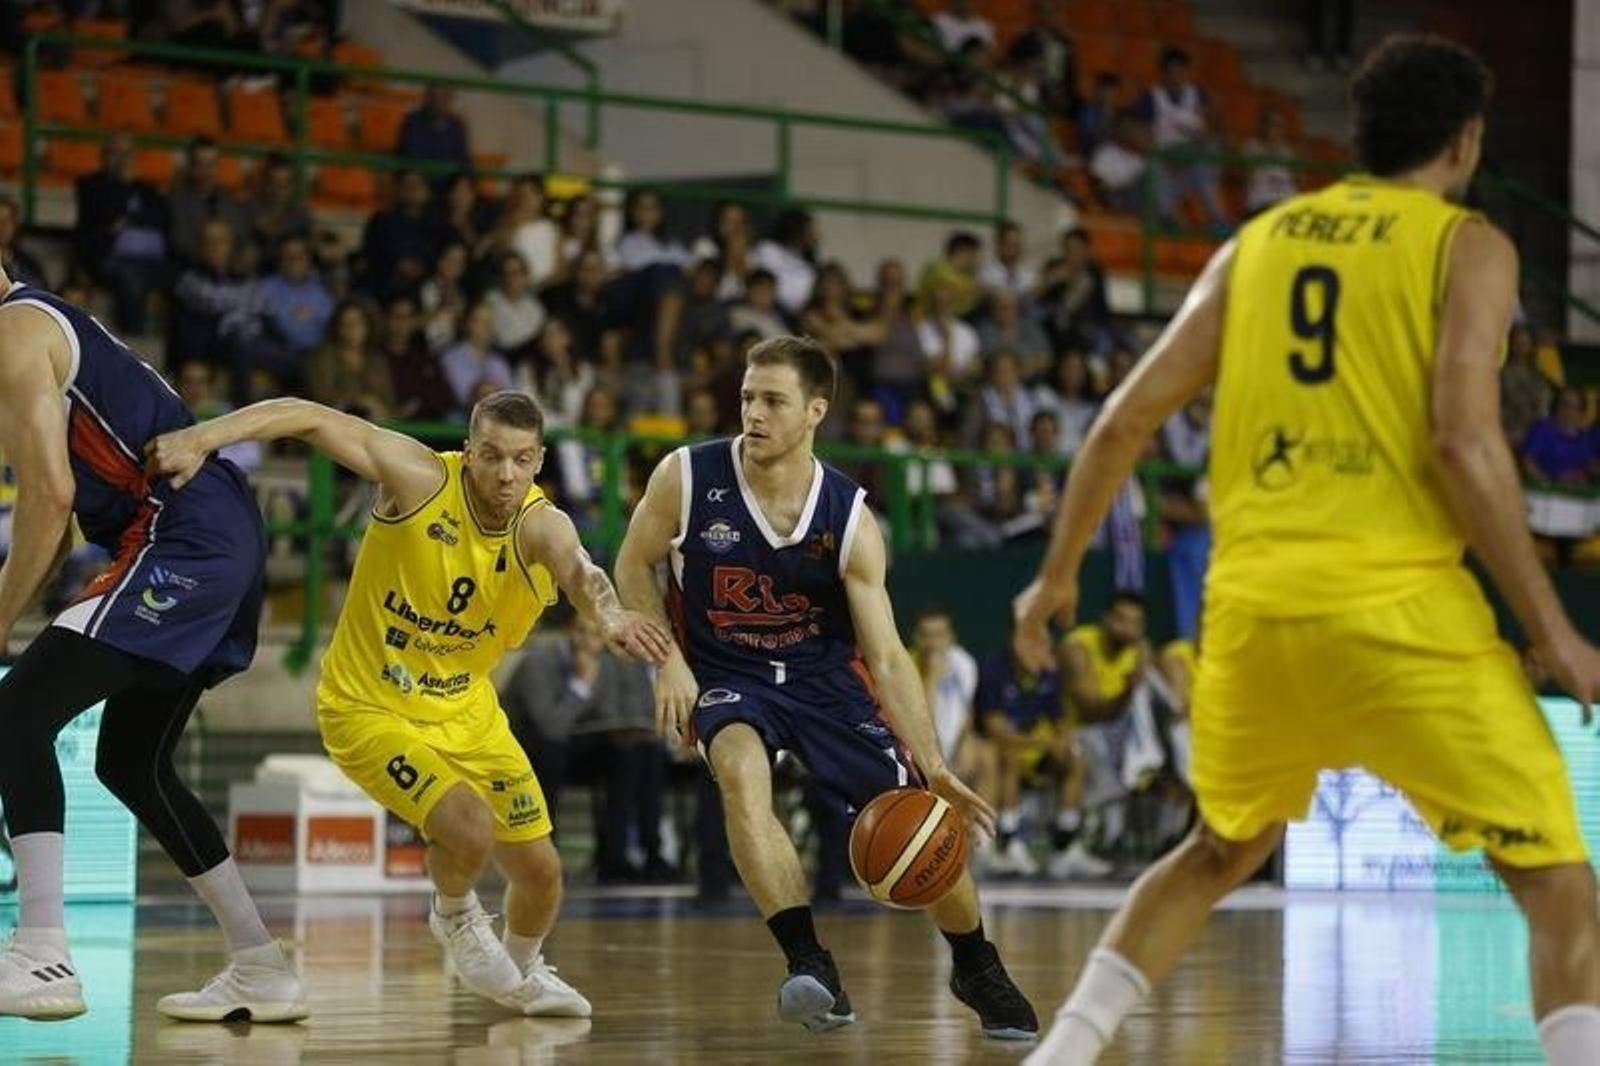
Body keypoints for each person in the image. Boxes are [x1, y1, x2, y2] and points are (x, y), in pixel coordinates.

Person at [1013, 36, 1600, 1065]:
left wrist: (1053, 574)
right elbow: (1463, 441)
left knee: (1215, 848)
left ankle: (1060, 1053)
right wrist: (1553, 630)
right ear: (1463, 142)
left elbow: (1120, 421)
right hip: (1401, 622)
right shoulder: (1467, 245)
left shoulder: (1258, 242)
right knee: (1556, 883)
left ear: (1358, 136)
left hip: (1252, 616)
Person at [146, 390, 672, 1017]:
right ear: (469, 451)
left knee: (542, 873)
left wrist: (610, 615)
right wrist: (201, 438)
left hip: (466, 711)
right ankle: (453, 915)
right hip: (369, 707)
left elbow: (581, 571)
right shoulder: (419, 479)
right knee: (470, 830)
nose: (506, 475)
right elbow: (309, 416)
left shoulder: (542, 523)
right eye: (492, 456)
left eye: (522, 460)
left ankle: (524, 974)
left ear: (540, 461)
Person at [615, 336, 1037, 1040]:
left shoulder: (848, 518)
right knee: (740, 774)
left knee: (919, 818)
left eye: (773, 401)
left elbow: (889, 656)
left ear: (815, 411)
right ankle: (810, 963)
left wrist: (934, 766)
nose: (753, 413)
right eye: (748, 397)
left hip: (825, 681)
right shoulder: (686, 477)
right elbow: (633, 567)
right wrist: (669, 661)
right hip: (729, 676)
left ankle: (976, 964)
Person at [0, 267, 306, 1022]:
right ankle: (261, 963)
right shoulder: (38, 327)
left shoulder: (14, 333)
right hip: (211, 533)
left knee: (14, 714)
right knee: (130, 763)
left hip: (182, 536)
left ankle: (42, 951)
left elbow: (50, 499)